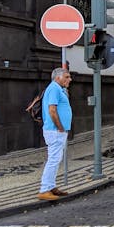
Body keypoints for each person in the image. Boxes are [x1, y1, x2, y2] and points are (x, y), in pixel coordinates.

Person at [37, 67, 72, 201]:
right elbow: (52, 110)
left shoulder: (58, 89)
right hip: (55, 130)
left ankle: (51, 186)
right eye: (67, 77)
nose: (70, 79)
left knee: (56, 159)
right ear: (58, 77)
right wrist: (60, 127)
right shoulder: (54, 88)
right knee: (53, 159)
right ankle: (44, 189)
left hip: (56, 130)